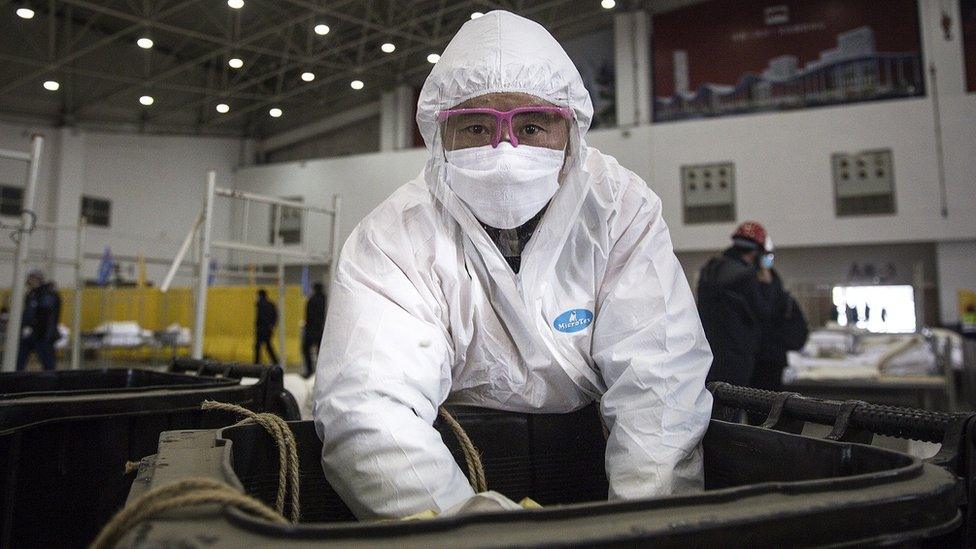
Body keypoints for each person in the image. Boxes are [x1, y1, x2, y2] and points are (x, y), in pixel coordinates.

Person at [313, 10, 713, 519]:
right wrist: (476, 532)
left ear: (571, 131)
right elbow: (368, 407)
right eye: (477, 126)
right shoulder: (396, 236)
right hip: (455, 459)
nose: (505, 151)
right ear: (439, 137)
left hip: (592, 460)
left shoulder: (617, 210)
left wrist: (642, 526)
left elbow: (660, 383)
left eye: (531, 125)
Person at [696, 221, 770, 387]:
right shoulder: (746, 276)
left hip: (707, 354)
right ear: (756, 252)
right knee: (732, 407)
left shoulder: (710, 269)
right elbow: (763, 312)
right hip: (737, 357)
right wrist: (766, 285)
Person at [751, 240, 809, 395]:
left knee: (761, 405)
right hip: (772, 359)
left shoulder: (770, 292)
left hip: (765, 359)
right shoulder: (777, 289)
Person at [16, 269, 62, 371]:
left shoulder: (46, 294)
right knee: (19, 361)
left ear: (37, 279)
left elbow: (46, 314)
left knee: (47, 363)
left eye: (30, 278)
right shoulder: (32, 294)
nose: (28, 281)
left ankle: (50, 383)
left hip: (42, 334)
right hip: (31, 333)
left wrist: (31, 324)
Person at [302, 283, 327, 378]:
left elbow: (309, 316)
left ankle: (310, 371)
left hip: (311, 330)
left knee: (306, 349)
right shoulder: (325, 300)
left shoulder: (312, 300)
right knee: (320, 352)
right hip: (321, 330)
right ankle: (321, 372)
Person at [253, 289, 279, 365]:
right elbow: (275, 316)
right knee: (268, 345)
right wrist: (272, 325)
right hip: (268, 329)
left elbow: (259, 317)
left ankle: (256, 363)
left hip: (261, 329)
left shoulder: (259, 304)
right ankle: (275, 361)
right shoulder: (271, 304)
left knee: (258, 347)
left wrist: (257, 326)